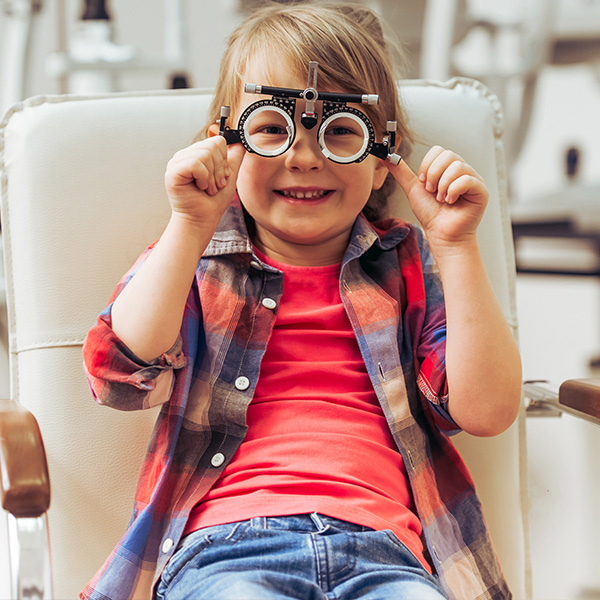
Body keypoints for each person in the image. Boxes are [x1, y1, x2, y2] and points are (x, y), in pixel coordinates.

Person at [80, 3, 522, 600]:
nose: (305, 156)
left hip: (387, 551)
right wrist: (189, 224)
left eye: (342, 129)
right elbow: (118, 374)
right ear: (225, 144)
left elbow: (487, 411)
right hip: (225, 548)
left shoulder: (408, 262)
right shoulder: (197, 256)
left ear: (383, 160)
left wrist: (457, 246)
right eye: (271, 126)